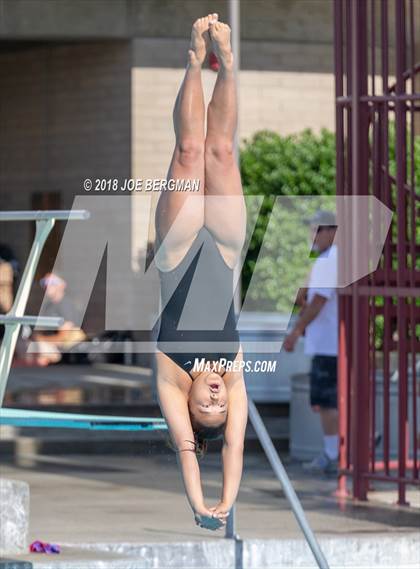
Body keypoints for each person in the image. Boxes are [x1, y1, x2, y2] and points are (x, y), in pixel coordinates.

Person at [154, 15, 248, 531]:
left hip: (179, 247)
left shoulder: (171, 380)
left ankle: (193, 60)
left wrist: (199, 503)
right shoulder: (233, 379)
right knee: (222, 150)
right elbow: (233, 444)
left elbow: (190, 452)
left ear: (189, 404)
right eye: (220, 405)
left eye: (205, 405)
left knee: (189, 151)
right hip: (227, 250)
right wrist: (226, 500)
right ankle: (228, 64)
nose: (214, 397)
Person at [283, 210, 338, 474]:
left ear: (332, 231)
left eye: (317, 229)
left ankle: (332, 454)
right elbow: (310, 296)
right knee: (333, 400)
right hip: (333, 344)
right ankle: (341, 450)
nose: (312, 235)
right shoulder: (328, 259)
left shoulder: (329, 261)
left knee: (327, 402)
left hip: (329, 345)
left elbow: (318, 302)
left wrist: (295, 332)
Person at [18, 272, 86, 366]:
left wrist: (40, 339)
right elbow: (39, 331)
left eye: (52, 282)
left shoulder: (66, 305)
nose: (47, 285)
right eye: (44, 282)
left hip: (62, 352)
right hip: (47, 347)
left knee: (29, 347)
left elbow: (63, 338)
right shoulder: (48, 306)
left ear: (62, 285)